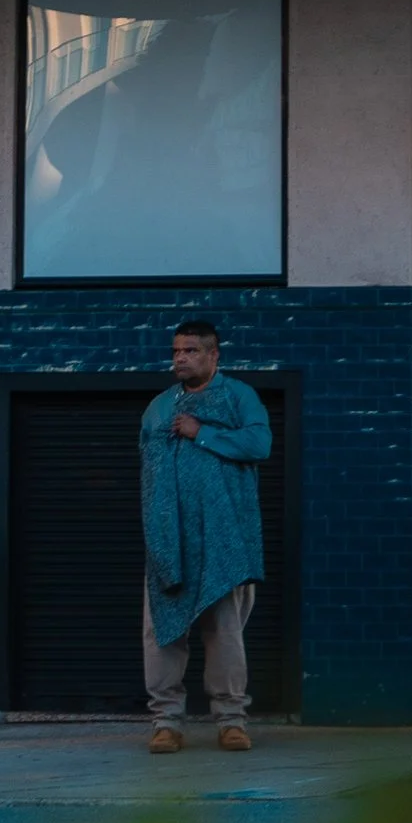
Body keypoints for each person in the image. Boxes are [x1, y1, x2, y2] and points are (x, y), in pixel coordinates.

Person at [139, 314, 271, 754]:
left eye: (191, 350)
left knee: (225, 633)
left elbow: (259, 444)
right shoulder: (158, 407)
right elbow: (148, 471)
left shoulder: (238, 397)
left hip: (222, 539)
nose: (180, 358)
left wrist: (202, 433)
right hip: (169, 540)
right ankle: (165, 722)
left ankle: (231, 721)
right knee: (163, 634)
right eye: (176, 351)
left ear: (214, 355)